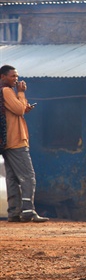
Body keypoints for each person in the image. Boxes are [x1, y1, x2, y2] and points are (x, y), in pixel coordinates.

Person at [0, 64, 48, 223]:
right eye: (12, 76)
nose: (16, 79)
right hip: (15, 141)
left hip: (7, 142)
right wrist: (21, 93)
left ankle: (14, 212)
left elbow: (16, 110)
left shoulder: (4, 92)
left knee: (12, 178)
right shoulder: (6, 91)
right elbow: (19, 110)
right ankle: (28, 211)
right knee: (28, 176)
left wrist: (22, 104)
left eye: (16, 76)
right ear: (3, 77)